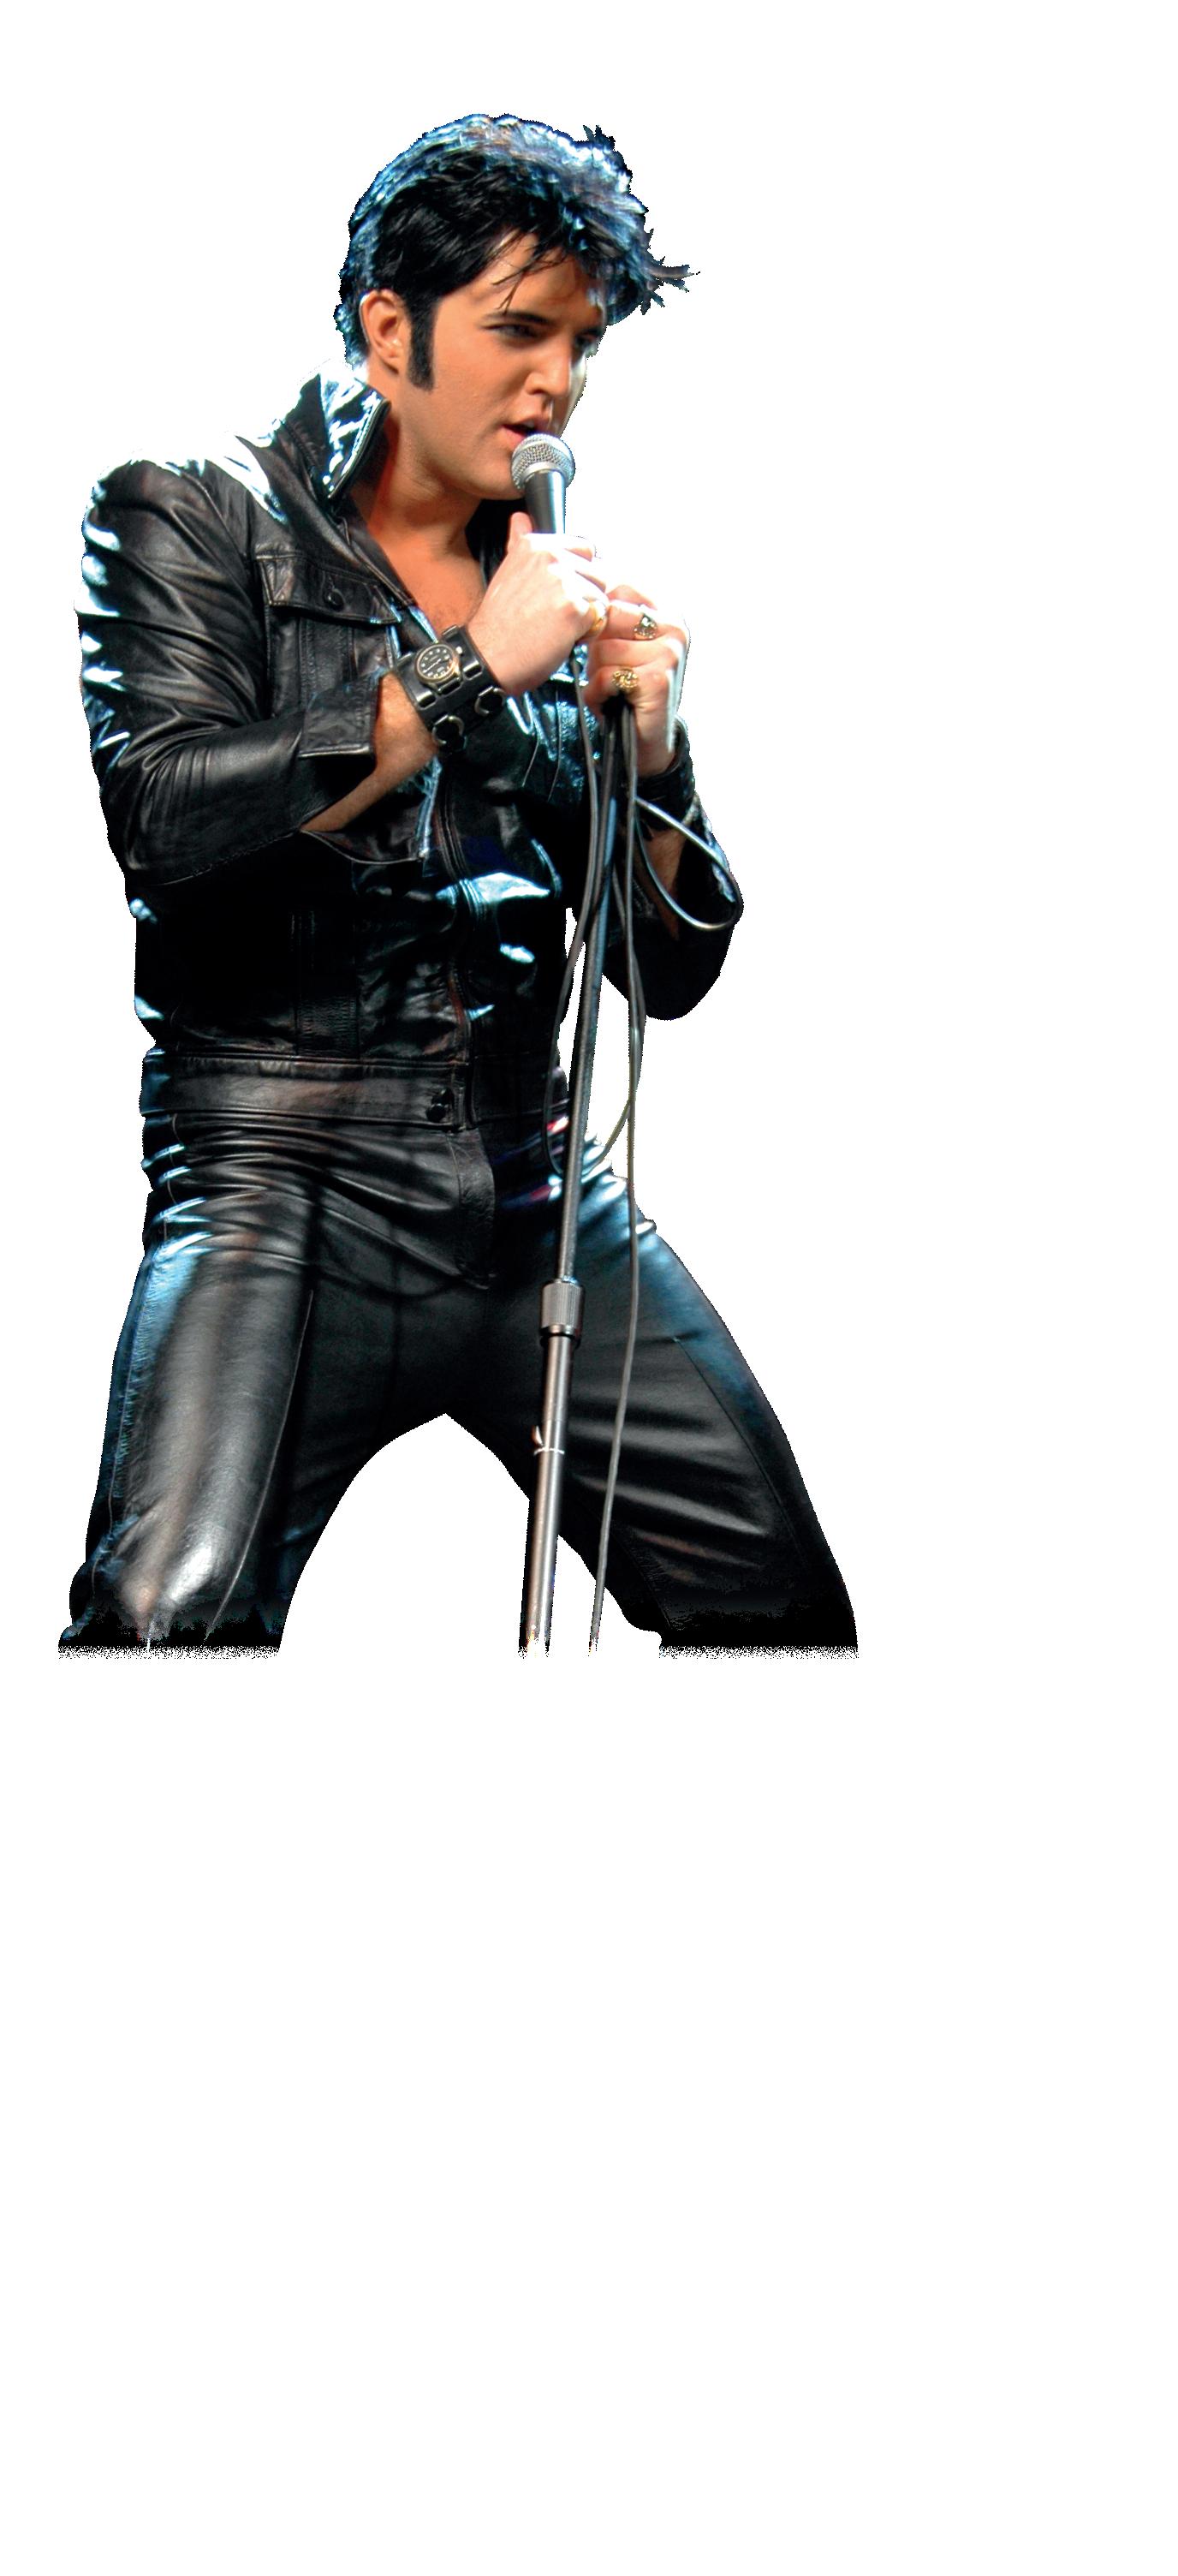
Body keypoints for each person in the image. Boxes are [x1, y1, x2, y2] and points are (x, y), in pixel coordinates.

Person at [60, 113, 856, 1656]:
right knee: (160, 1631)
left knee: (780, 1619)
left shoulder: (555, 582)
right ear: (389, 330)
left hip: (535, 1192)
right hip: (281, 1180)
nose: (554, 380)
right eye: (515, 330)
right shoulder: (191, 509)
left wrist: (654, 757)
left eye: (582, 344)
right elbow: (166, 820)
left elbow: (672, 974)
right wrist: (468, 670)